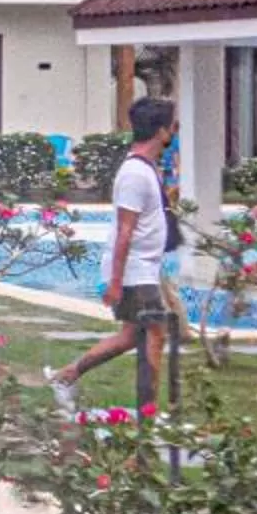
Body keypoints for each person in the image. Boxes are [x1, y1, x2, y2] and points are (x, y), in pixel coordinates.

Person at [49, 95, 177, 411]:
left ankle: (66, 376)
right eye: (172, 125)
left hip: (142, 269)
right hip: (134, 271)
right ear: (161, 131)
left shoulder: (145, 169)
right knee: (154, 336)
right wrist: (116, 282)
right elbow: (124, 231)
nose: (175, 130)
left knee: (133, 336)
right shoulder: (135, 174)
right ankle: (147, 418)